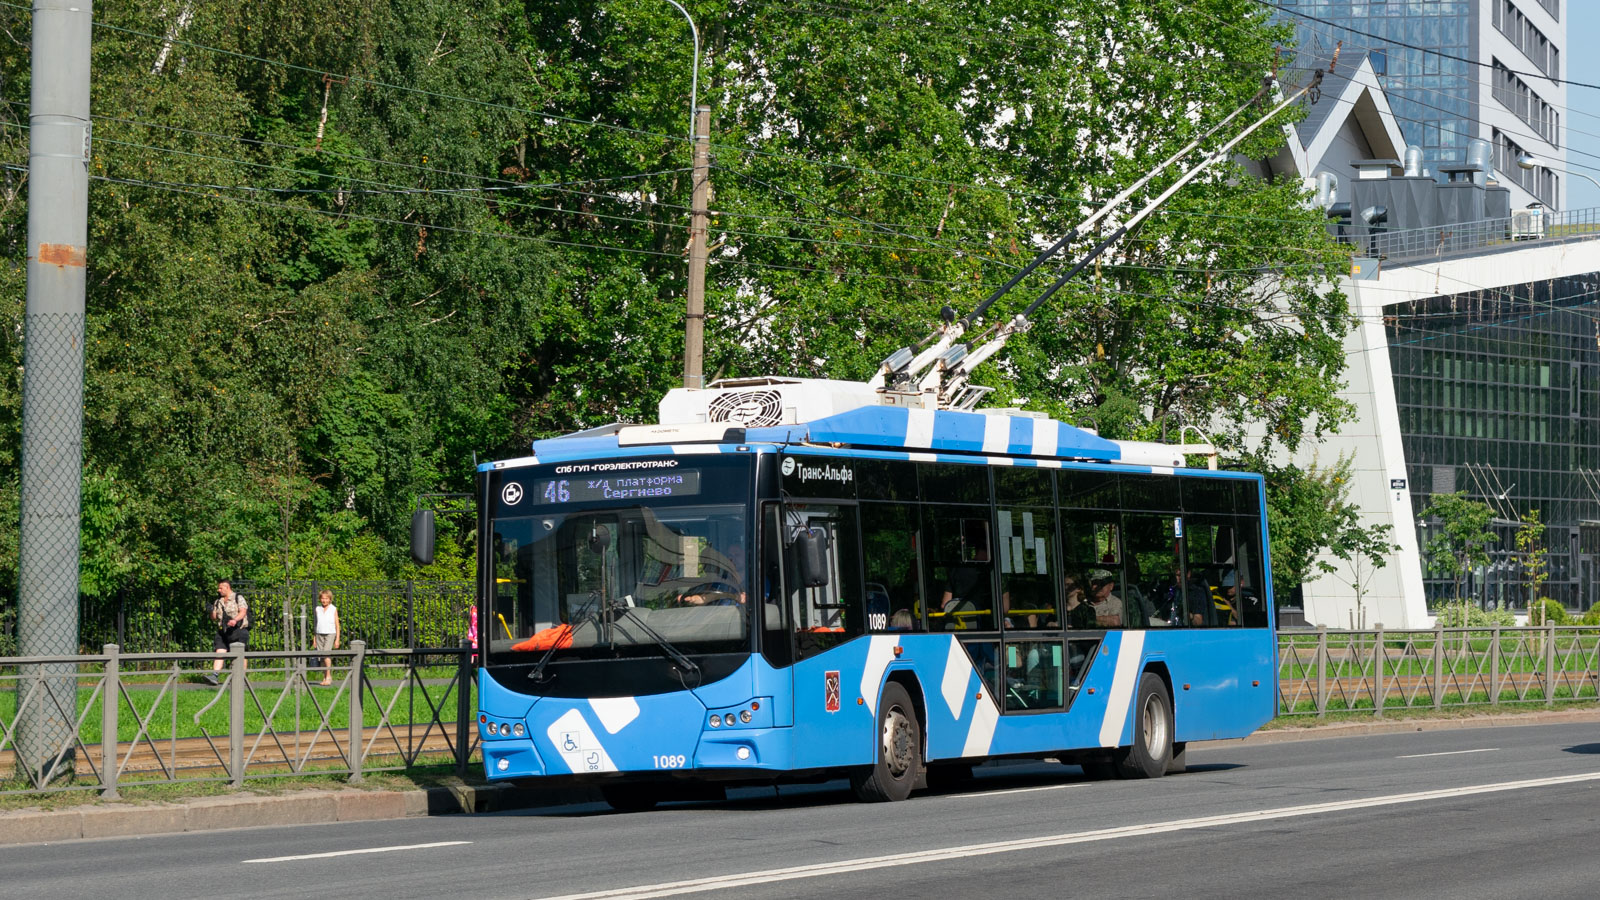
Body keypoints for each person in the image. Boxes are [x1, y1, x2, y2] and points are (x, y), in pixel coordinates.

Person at [207, 579, 249, 685]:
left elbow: (243, 611)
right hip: (223, 631)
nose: (219, 590)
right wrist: (211, 610)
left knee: (240, 654)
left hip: (238, 630)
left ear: (227, 587)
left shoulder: (238, 597)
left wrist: (235, 620)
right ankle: (215, 675)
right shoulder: (218, 601)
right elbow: (214, 617)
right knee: (219, 650)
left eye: (221, 588)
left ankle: (241, 677)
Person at [313, 588, 342, 686]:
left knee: (326, 654)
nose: (324, 600)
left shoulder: (333, 609)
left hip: (330, 633)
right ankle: (325, 676)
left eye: (326, 598)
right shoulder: (318, 609)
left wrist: (337, 639)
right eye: (322, 598)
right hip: (319, 634)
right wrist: (314, 639)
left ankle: (328, 676)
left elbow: (337, 625)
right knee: (321, 657)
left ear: (330, 599)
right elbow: (316, 624)